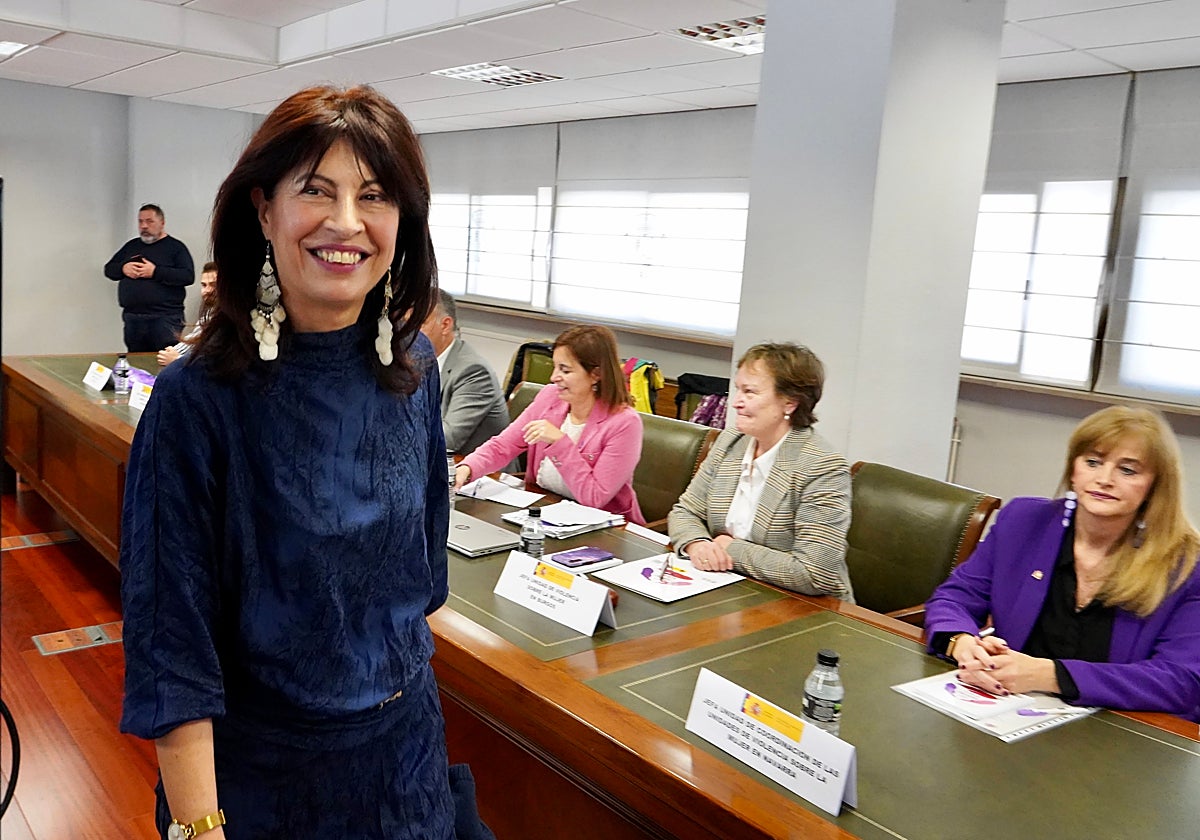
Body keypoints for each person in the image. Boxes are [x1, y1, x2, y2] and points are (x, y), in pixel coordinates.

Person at [119, 86, 459, 839]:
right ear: (264, 210)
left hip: (404, 766)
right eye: (316, 190)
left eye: (373, 195)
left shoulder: (416, 367)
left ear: (402, 222)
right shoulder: (196, 400)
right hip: (259, 779)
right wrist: (201, 827)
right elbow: (172, 646)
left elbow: (424, 575)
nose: (346, 223)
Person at [926, 405, 1200, 721]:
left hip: (1121, 735)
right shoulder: (1023, 521)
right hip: (1010, 715)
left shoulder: (1186, 565)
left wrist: (1050, 675)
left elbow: (1183, 681)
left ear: (1155, 485)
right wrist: (960, 642)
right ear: (1073, 469)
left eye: (1128, 470)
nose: (1105, 479)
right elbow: (954, 597)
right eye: (1093, 462)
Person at [668, 342, 854, 598]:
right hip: (727, 589)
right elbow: (686, 511)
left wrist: (730, 549)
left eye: (750, 392)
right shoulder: (731, 441)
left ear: (790, 403)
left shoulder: (821, 467)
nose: (736, 403)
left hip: (803, 607)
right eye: (738, 390)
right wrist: (696, 543)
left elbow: (814, 573)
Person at [455, 325, 645, 525]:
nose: (554, 377)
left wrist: (560, 443)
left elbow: (594, 498)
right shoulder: (550, 396)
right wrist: (467, 468)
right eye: (554, 367)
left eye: (565, 370)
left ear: (595, 374)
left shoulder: (625, 423)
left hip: (604, 529)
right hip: (544, 512)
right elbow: (503, 445)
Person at [420, 289, 509, 457]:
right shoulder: (415, 360)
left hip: (483, 476)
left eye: (420, 323)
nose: (408, 331)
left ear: (445, 325)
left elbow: (449, 438)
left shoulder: (474, 372)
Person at [104, 203, 195, 352]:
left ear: (162, 223)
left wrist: (155, 272)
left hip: (165, 318)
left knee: (163, 360)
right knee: (136, 362)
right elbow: (109, 270)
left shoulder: (176, 248)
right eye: (140, 221)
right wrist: (123, 268)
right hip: (133, 318)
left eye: (149, 221)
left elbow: (187, 276)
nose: (144, 226)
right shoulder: (131, 246)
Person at [157, 261, 218, 367]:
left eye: (213, 285)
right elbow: (195, 339)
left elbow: (214, 360)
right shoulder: (209, 312)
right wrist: (172, 352)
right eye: (204, 285)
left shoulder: (229, 318)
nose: (207, 291)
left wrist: (177, 359)